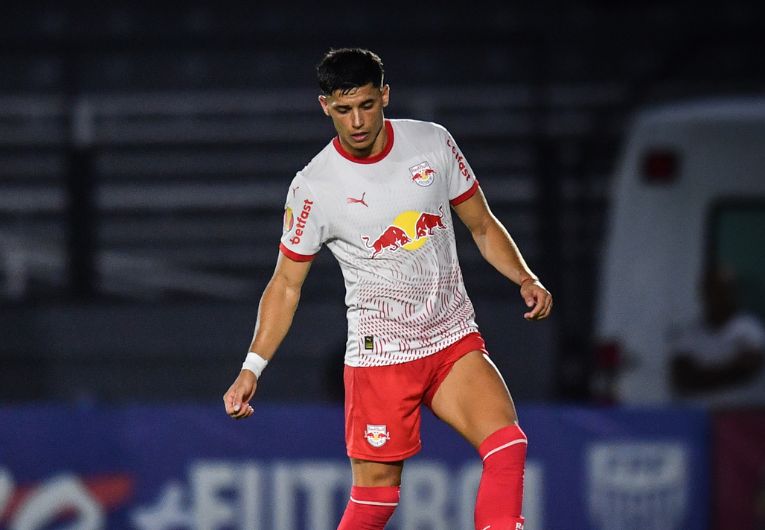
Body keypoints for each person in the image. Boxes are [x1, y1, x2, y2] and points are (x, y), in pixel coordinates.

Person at [223, 47, 552, 530]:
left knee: (507, 445)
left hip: (450, 338)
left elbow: (481, 225)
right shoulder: (314, 187)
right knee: (376, 503)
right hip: (383, 358)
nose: (356, 121)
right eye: (343, 109)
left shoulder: (432, 144)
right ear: (324, 107)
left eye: (367, 105)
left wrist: (524, 276)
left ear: (385, 96)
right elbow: (287, 284)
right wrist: (253, 366)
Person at [669, 265, 765, 407]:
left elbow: (746, 371)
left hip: (743, 419)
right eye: (711, 291)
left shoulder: (750, 330)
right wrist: (730, 366)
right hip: (700, 419)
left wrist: (700, 373)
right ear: (702, 293)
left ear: (732, 292)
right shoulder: (688, 335)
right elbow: (682, 377)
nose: (716, 297)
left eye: (722, 291)